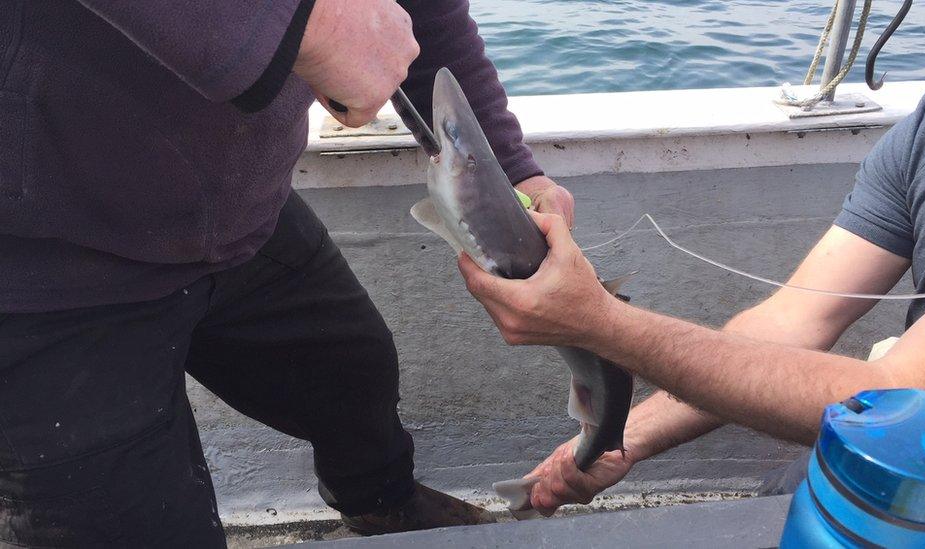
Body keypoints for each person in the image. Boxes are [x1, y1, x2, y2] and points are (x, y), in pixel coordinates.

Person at [0, 0, 574, 545]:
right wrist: (302, 19)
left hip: (238, 209)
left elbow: (421, 20)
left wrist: (510, 175)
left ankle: (380, 502)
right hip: (43, 255)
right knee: (129, 523)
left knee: (354, 374)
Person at [459, 79, 925, 516]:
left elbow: (903, 394)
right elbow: (792, 322)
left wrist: (599, 323)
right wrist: (621, 438)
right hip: (924, 458)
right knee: (782, 498)